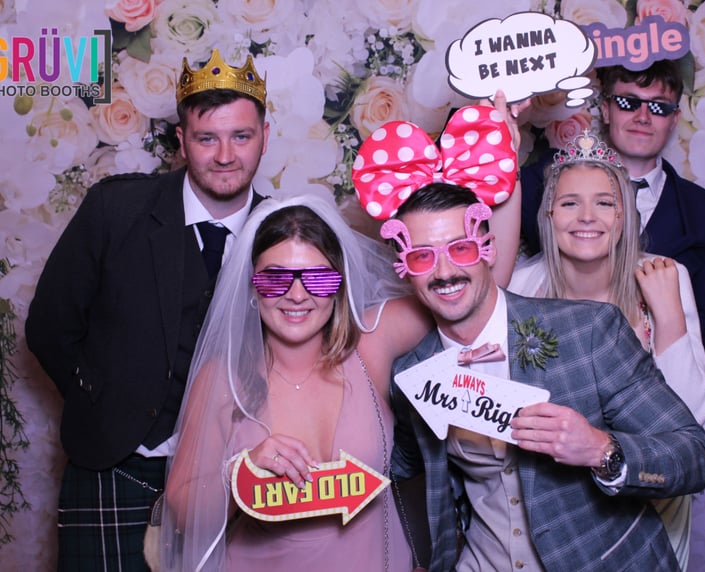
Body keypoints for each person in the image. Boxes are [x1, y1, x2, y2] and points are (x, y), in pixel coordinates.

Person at [161, 96, 522, 570]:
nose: (296, 295)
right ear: (251, 286)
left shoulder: (370, 345)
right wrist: (240, 475)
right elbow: (182, 508)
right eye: (275, 279)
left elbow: (481, 289)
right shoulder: (224, 376)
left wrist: (504, 164)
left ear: (339, 285)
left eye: (317, 278)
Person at [382, 183, 705, 572]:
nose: (444, 272)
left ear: (488, 249)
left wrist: (600, 449)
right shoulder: (411, 375)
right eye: (422, 257)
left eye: (461, 249)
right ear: (405, 268)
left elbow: (692, 456)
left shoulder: (588, 332)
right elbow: (398, 468)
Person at [25, 49, 269, 570]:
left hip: (233, 472)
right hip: (114, 464)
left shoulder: (284, 232)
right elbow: (50, 326)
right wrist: (103, 401)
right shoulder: (115, 210)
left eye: (241, 136)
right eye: (207, 138)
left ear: (264, 137)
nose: (226, 155)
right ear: (182, 140)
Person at [508, 129, 705, 570]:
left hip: (653, 504)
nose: (587, 217)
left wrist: (668, 315)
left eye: (604, 203)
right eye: (570, 203)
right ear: (548, 216)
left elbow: (694, 421)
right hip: (560, 511)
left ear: (623, 218)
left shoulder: (665, 276)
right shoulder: (523, 287)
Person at [520, 59, 705, 389]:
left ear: (675, 118)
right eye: (628, 102)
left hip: (655, 391)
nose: (643, 117)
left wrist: (692, 408)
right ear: (605, 110)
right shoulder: (539, 184)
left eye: (658, 107)